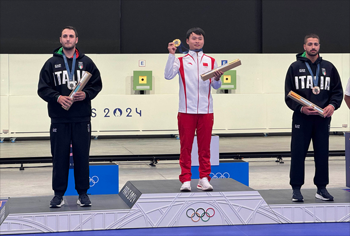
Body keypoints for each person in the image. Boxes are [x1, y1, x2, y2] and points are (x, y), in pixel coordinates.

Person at [38, 26, 102, 208]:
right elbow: (43, 89)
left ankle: (83, 194)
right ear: (60, 40)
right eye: (65, 36)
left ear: (76, 40)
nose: (68, 39)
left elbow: (97, 85)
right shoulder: (51, 63)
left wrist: (87, 94)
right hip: (59, 119)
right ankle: (58, 194)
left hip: (81, 118)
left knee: (82, 156)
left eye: (71, 36)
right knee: (59, 157)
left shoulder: (87, 62)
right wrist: (57, 97)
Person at [284, 34, 343, 202]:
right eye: (310, 44)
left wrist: (332, 105)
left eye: (316, 44)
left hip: (323, 118)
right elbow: (288, 95)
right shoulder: (294, 67)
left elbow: (337, 92)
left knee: (322, 153)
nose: (313, 47)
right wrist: (301, 108)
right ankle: (296, 189)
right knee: (298, 153)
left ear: (319, 46)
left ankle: (322, 188)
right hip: (302, 118)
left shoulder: (329, 67)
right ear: (304, 46)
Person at [164, 27, 223, 192]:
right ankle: (186, 179)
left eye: (200, 38)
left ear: (203, 41)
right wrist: (171, 55)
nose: (197, 41)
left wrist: (217, 77)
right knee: (186, 146)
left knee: (205, 147)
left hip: (206, 110)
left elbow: (216, 86)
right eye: (194, 38)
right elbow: (168, 75)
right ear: (188, 41)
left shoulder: (211, 61)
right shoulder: (181, 61)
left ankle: (204, 178)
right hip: (186, 110)